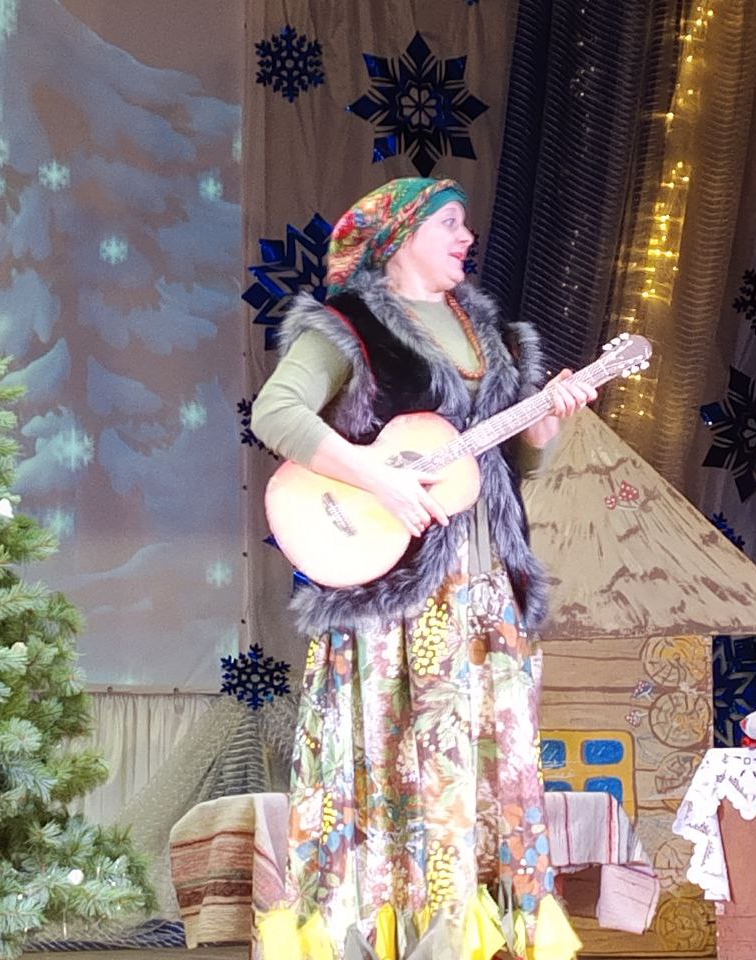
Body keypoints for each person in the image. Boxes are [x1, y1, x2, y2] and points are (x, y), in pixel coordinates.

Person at [251, 177, 593, 960]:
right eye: (449, 223)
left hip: (484, 585)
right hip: (394, 591)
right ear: (400, 237)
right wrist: (377, 476)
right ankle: (386, 933)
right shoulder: (351, 325)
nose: (466, 237)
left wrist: (544, 434)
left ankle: (467, 932)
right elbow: (277, 412)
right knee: (392, 752)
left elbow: (501, 471)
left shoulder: (494, 336)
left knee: (483, 762)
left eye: (465, 224)